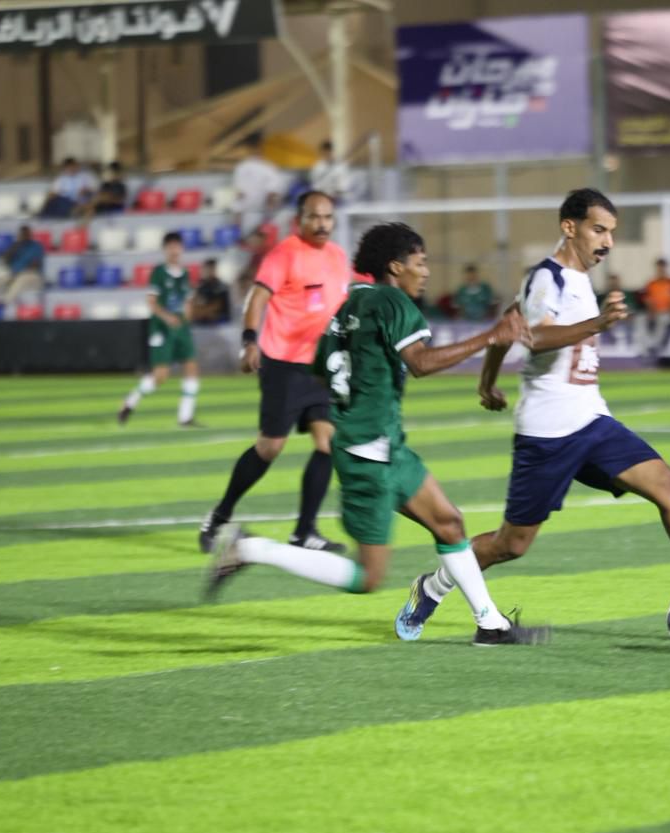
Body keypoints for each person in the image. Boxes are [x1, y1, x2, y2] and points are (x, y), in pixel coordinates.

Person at [393, 188, 670, 642]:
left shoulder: (578, 279)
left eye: (611, 233)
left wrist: (487, 380)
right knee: (512, 544)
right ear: (570, 227)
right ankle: (433, 586)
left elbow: (510, 319)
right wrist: (597, 324)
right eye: (599, 230)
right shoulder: (548, 277)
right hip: (548, 433)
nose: (607, 242)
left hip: (591, 421)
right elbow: (534, 337)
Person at [206, 221, 547, 647]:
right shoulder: (393, 302)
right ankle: (249, 548)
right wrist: (491, 336)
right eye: (420, 263)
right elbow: (421, 363)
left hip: (380, 444)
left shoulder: (349, 305)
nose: (426, 271)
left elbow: (322, 370)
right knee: (368, 577)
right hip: (369, 454)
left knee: (449, 523)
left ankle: (490, 624)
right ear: (395, 266)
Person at [197, 192, 350, 555]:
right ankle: (219, 515)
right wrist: (249, 341)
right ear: (300, 220)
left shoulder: (337, 256)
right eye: (315, 216)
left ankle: (304, 531)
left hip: (322, 367)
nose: (322, 223)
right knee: (270, 447)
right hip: (284, 365)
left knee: (328, 443)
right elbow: (257, 299)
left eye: (328, 217)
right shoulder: (284, 255)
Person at [118, 232, 202, 427]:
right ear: (165, 250)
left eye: (177, 246)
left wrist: (187, 318)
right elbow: (152, 302)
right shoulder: (158, 273)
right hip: (162, 327)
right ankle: (130, 401)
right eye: (170, 247)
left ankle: (185, 417)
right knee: (161, 375)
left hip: (181, 327)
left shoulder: (185, 274)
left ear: (181, 249)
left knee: (191, 367)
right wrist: (167, 317)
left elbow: (188, 301)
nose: (174, 250)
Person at [232, 137, 286, 232]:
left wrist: (268, 215)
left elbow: (272, 193)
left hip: (258, 214)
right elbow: (239, 195)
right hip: (252, 214)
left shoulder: (266, 167)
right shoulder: (243, 167)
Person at [0, 225, 45, 306]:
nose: (24, 236)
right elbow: (5, 261)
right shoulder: (16, 246)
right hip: (14, 273)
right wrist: (14, 248)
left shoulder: (36, 246)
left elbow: (35, 265)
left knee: (22, 278)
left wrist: (17, 273)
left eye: (26, 234)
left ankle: (4, 302)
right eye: (22, 234)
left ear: (30, 235)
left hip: (32, 275)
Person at [190, 259, 231, 325]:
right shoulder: (200, 286)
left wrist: (203, 311)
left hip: (220, 324)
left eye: (211, 269)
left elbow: (217, 306)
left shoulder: (222, 286)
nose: (209, 272)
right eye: (207, 269)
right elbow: (193, 305)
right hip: (201, 323)